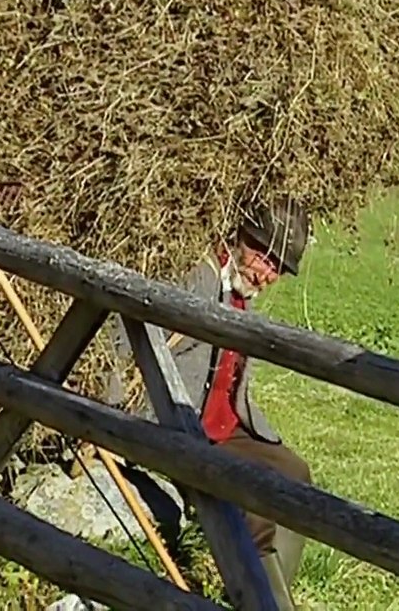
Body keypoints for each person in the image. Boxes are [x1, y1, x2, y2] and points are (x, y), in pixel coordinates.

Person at [110, 198, 314, 610]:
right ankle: (261, 603)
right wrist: (112, 418)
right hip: (179, 422)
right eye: (267, 260)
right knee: (251, 500)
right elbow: (122, 333)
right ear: (242, 239)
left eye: (279, 269)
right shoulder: (192, 272)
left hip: (224, 422)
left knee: (295, 474)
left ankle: (277, 596)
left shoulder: (239, 285)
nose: (270, 275)